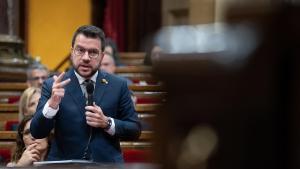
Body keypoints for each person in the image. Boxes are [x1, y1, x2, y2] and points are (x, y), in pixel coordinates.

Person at [30, 25, 141, 163]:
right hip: (66, 166)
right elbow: (37, 132)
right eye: (80, 50)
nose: (86, 58)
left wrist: (107, 123)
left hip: (106, 165)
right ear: (72, 52)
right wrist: (52, 105)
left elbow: (134, 130)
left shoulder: (118, 85)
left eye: (93, 52)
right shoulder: (53, 84)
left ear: (102, 56)